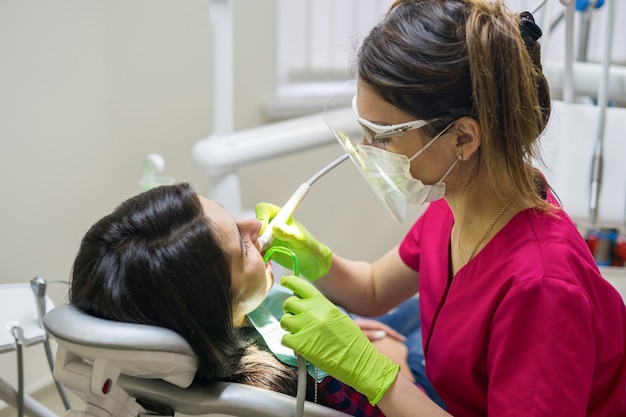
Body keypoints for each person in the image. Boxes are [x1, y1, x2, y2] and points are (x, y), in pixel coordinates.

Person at [255, 1, 626, 416]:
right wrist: (313, 257)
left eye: (383, 137)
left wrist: (375, 375)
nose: (367, 151)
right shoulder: (461, 196)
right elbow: (376, 288)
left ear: (463, 138)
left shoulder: (541, 288)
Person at [70, 182, 405, 416]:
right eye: (243, 247)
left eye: (232, 217)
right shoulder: (304, 381)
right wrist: (382, 363)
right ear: (218, 310)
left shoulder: (168, 328)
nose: (256, 226)